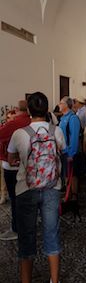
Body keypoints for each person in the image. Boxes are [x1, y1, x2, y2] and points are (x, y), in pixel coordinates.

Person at [7, 92, 65, 283]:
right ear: (47, 109)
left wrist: (20, 160)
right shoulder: (56, 131)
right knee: (52, 233)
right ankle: (55, 282)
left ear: (29, 110)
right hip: (52, 187)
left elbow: (11, 158)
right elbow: (61, 152)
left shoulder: (19, 133)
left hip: (26, 189)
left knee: (26, 236)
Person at [0, 101, 30, 241]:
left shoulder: (13, 124)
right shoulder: (31, 122)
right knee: (26, 198)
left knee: (15, 199)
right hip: (28, 166)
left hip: (12, 168)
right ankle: (28, 226)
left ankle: (16, 229)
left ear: (17, 109)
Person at [59, 96, 81, 196]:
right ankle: (69, 194)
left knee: (72, 175)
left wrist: (71, 154)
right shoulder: (63, 118)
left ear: (66, 105)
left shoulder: (73, 118)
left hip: (69, 152)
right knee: (67, 175)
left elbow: (74, 137)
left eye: (61, 103)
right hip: (63, 151)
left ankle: (74, 197)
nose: (59, 105)